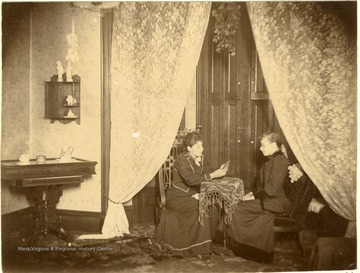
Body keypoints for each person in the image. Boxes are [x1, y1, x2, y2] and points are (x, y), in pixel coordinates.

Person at [145, 132, 229, 259]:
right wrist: (212, 176)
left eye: (202, 146)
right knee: (201, 207)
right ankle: (198, 248)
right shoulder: (181, 159)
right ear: (189, 148)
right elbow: (191, 180)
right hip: (176, 197)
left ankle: (201, 246)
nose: (202, 149)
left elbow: (208, 172)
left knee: (210, 205)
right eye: (198, 147)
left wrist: (220, 171)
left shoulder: (201, 158)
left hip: (193, 195)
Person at [219, 132, 292, 263]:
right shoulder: (273, 159)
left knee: (236, 208)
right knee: (234, 205)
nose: (260, 148)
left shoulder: (280, 161)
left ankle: (244, 249)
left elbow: (272, 189)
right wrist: (251, 194)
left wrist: (252, 197)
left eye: (263, 145)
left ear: (274, 145)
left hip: (276, 202)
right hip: (269, 199)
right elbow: (264, 187)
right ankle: (238, 246)